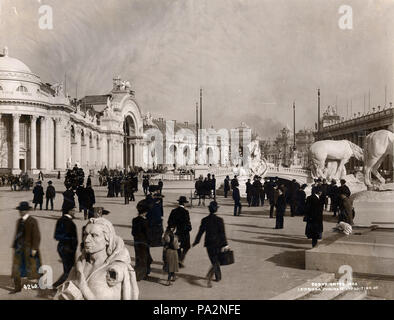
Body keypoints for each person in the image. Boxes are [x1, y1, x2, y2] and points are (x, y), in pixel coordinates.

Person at [55, 217, 139, 300]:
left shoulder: (117, 270)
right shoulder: (79, 266)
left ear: (107, 240)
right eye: (85, 234)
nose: (86, 240)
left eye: (94, 235)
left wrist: (83, 287)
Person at [192, 201, 228, 288]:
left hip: (209, 244)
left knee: (214, 261)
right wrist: (225, 244)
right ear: (216, 210)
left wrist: (196, 241)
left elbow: (200, 232)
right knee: (216, 261)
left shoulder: (204, 220)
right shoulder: (220, 220)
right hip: (218, 244)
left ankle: (218, 277)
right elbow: (222, 233)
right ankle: (210, 276)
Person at [11, 202, 42, 294]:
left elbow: (36, 236)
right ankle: (17, 287)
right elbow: (17, 235)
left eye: (23, 210)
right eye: (20, 210)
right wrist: (14, 245)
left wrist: (34, 248)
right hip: (19, 249)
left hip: (29, 248)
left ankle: (41, 283)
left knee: (34, 267)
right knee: (16, 268)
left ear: (27, 211)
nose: (21, 212)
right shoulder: (19, 221)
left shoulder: (33, 221)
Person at [53, 205, 78, 288]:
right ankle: (57, 286)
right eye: (73, 210)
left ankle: (59, 286)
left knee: (68, 270)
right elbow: (68, 237)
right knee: (69, 271)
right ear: (69, 211)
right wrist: (70, 239)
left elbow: (56, 236)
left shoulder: (60, 220)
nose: (74, 212)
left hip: (62, 248)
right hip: (68, 249)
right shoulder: (70, 223)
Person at [168, 196, 192, 267]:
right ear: (184, 203)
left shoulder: (174, 211)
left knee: (177, 246)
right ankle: (181, 259)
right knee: (187, 246)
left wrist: (172, 228)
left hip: (176, 232)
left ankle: (179, 258)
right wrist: (189, 228)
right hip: (184, 232)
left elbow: (170, 222)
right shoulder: (185, 212)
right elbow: (187, 222)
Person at [132, 199, 153, 281]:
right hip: (144, 243)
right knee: (144, 259)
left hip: (137, 242)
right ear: (145, 212)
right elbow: (148, 233)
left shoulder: (135, 220)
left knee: (139, 258)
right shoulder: (145, 221)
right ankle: (140, 275)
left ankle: (142, 274)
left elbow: (133, 232)